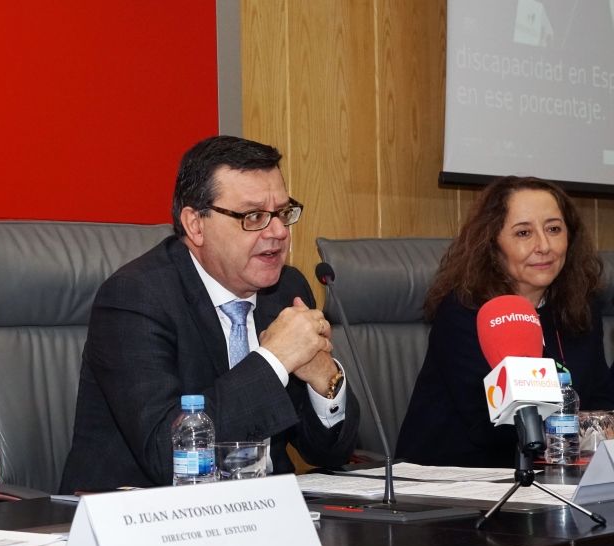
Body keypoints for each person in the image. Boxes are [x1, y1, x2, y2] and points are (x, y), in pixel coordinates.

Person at [59, 135, 360, 492]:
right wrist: (275, 360)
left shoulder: (286, 290)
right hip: (143, 513)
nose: (279, 232)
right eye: (254, 216)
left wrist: (325, 380)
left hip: (263, 510)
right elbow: (168, 458)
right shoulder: (135, 298)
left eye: (282, 213)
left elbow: (328, 454)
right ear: (195, 225)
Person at [397, 175, 614, 468]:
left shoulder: (580, 307)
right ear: (492, 244)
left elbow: (600, 407)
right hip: (457, 476)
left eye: (553, 229)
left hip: (554, 473)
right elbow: (490, 428)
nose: (544, 245)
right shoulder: (465, 311)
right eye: (523, 233)